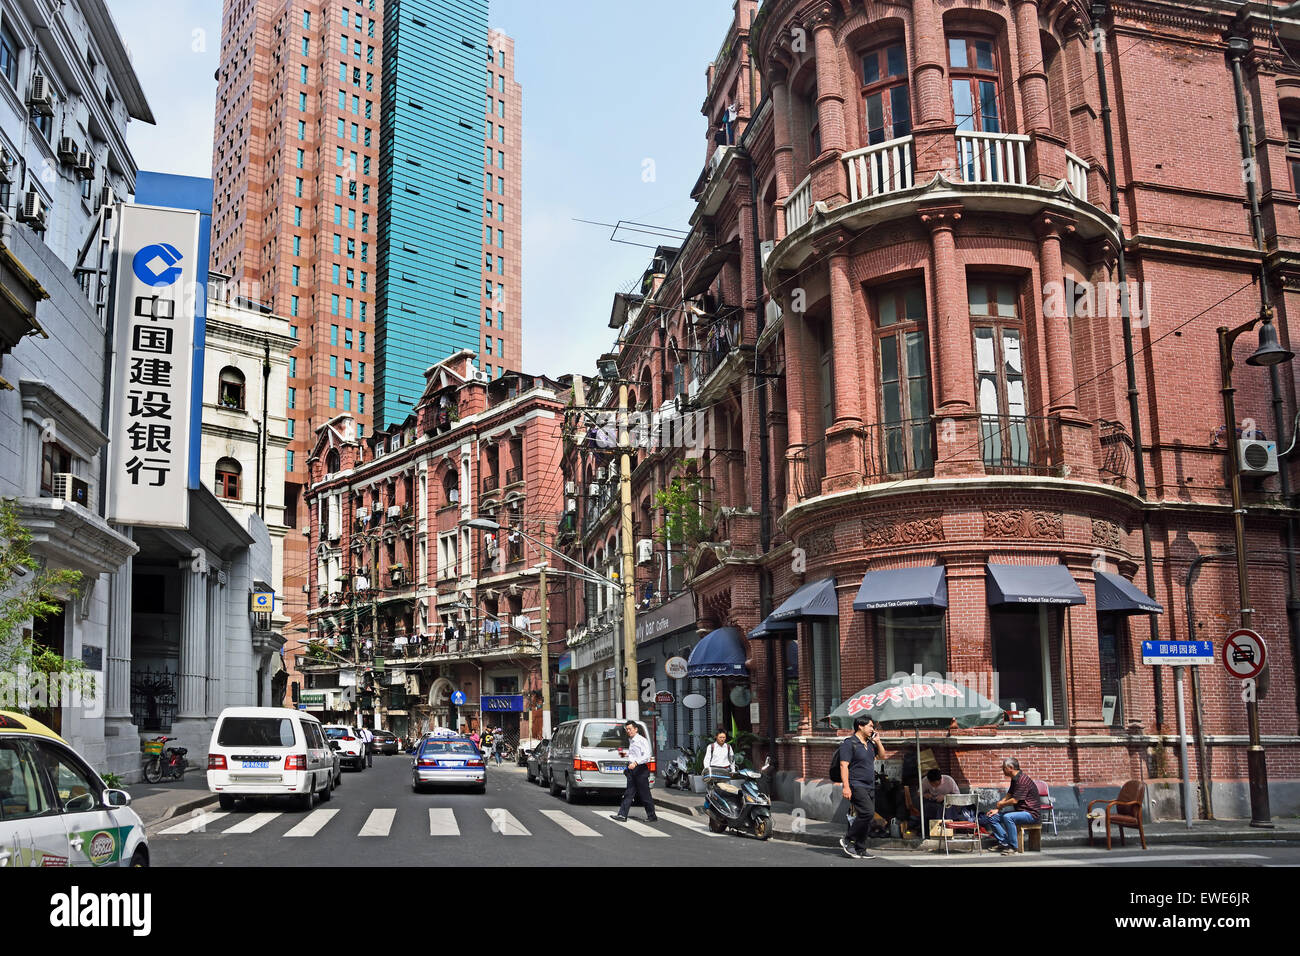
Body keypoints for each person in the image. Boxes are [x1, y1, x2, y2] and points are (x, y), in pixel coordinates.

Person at [838, 715, 887, 860]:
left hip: (869, 785)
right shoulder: (849, 743)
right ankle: (848, 839)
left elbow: (883, 756)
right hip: (856, 784)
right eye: (871, 726)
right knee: (868, 813)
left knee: (866, 817)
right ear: (860, 726)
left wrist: (878, 741)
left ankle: (860, 848)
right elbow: (843, 765)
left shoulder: (870, 744)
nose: (872, 729)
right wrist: (846, 787)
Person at [982, 757, 1041, 855]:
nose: (1003, 771)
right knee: (992, 817)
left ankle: (1013, 847)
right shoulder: (1015, 779)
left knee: (1008, 817)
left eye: (1004, 768)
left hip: (1031, 814)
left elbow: (1015, 800)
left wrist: (1002, 804)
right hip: (1020, 812)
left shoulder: (1022, 780)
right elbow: (1009, 794)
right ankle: (1005, 843)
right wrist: (997, 809)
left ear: (1010, 767)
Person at [611, 720, 657, 823]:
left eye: (630, 729)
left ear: (636, 729)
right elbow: (633, 755)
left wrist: (635, 763)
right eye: (627, 729)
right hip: (632, 770)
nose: (628, 731)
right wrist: (623, 755)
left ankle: (652, 816)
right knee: (628, 793)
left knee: (645, 795)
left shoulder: (641, 740)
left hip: (640, 770)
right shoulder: (631, 740)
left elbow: (647, 756)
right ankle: (622, 815)